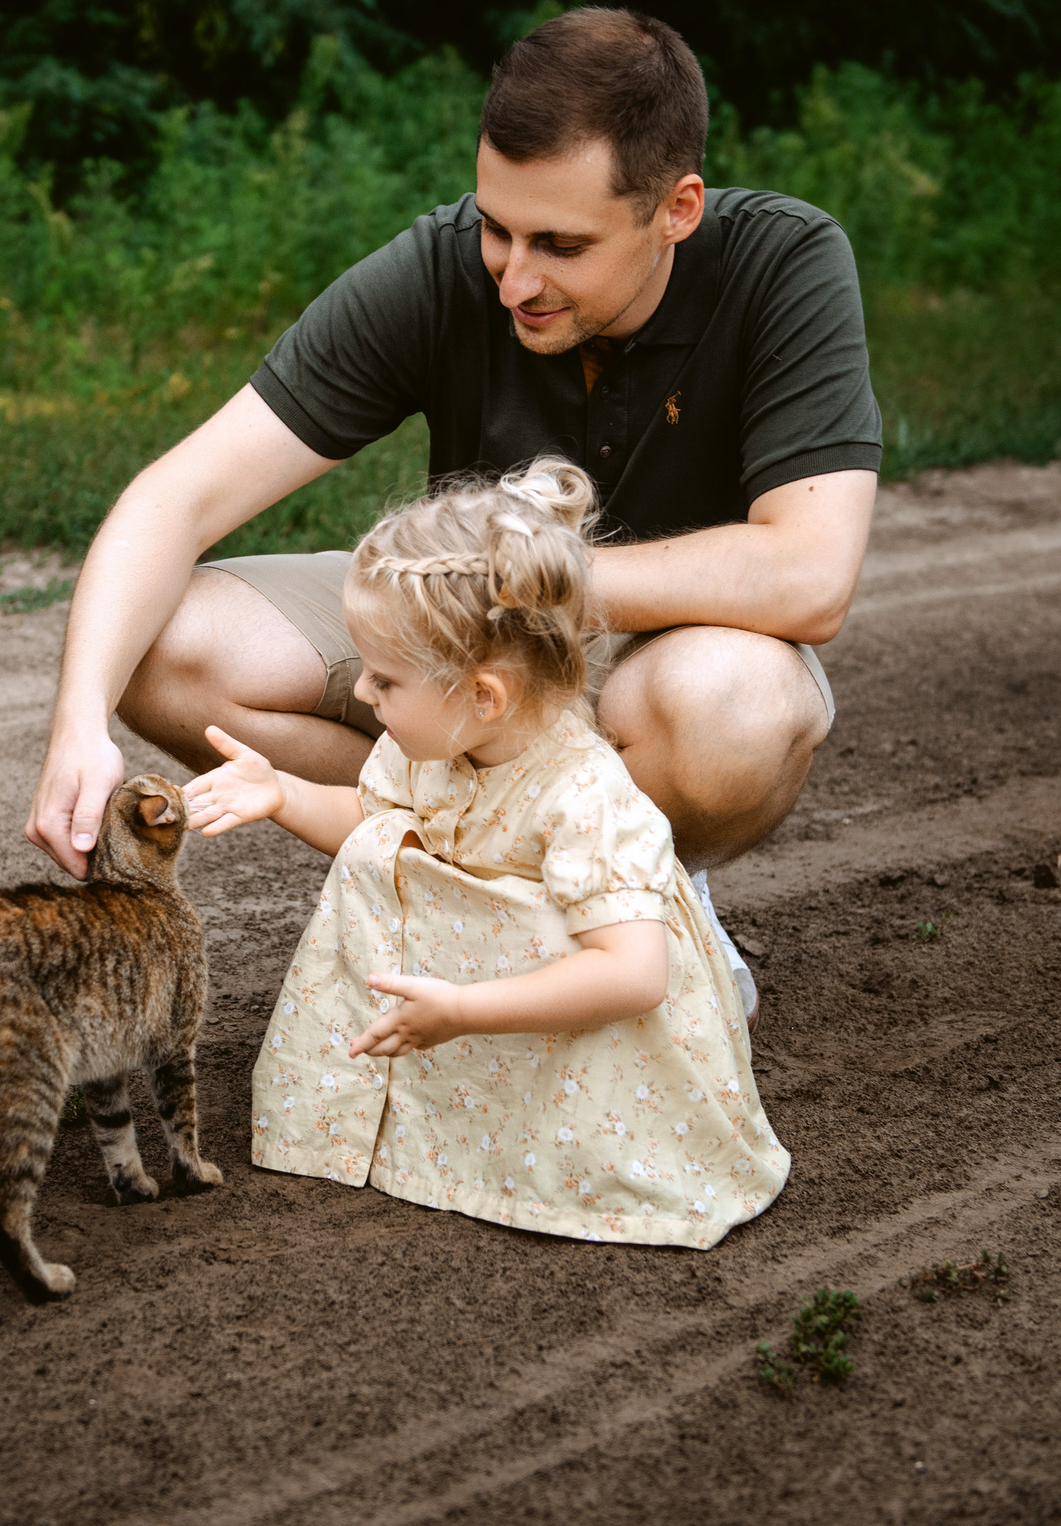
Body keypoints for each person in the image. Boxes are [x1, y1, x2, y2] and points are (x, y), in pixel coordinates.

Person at [25, 7, 879, 1009]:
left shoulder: (784, 262)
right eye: (496, 228)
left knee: (733, 705)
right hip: (466, 648)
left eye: (561, 243)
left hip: (656, 651)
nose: (514, 278)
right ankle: (469, 880)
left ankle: (634, 901)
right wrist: (78, 719)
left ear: (676, 208)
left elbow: (810, 576)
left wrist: (516, 582)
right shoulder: (441, 267)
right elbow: (179, 494)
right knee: (162, 644)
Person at [184, 460, 788, 1246]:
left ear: (483, 696)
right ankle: (437, 1133)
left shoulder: (587, 797)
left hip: (582, 1051)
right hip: (475, 1021)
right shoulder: (431, 746)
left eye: (385, 679)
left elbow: (634, 974)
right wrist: (283, 793)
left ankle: (557, 1167)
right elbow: (376, 824)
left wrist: (462, 1010)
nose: (362, 694)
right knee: (379, 853)